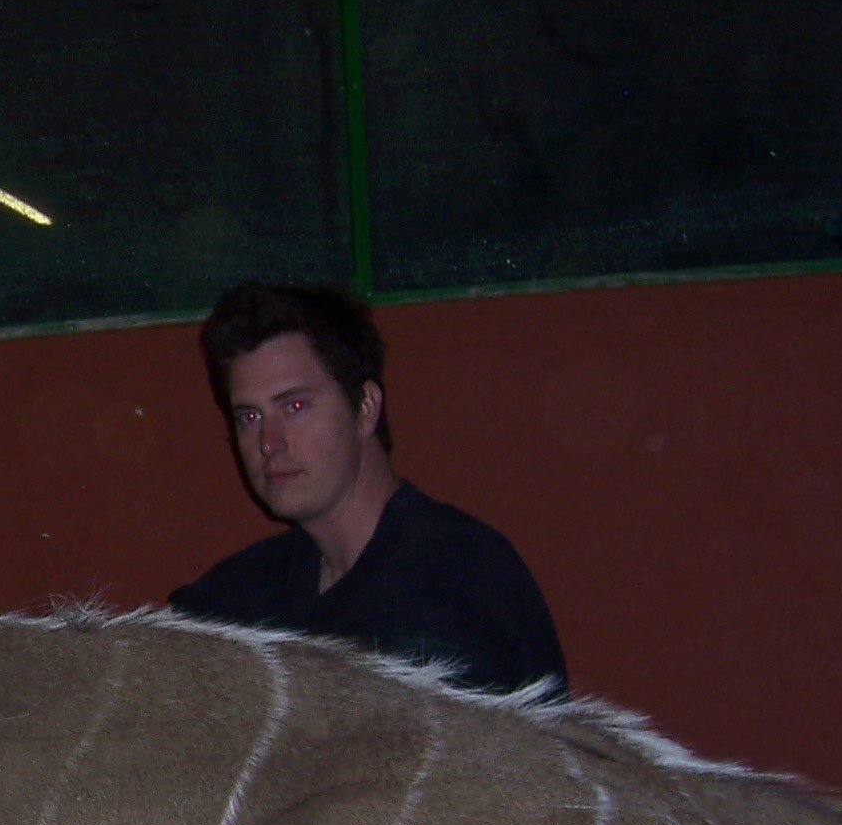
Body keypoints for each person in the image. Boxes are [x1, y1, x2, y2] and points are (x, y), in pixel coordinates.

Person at [169, 282, 566, 697]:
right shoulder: (248, 588)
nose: (269, 442)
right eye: (250, 416)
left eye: (295, 407)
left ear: (365, 408)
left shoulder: (453, 579)